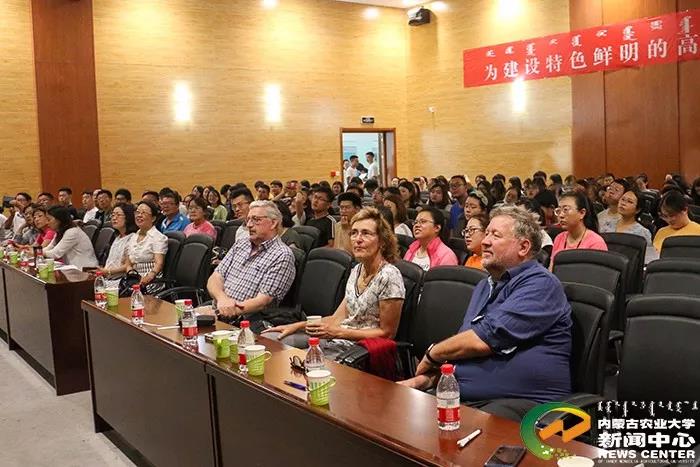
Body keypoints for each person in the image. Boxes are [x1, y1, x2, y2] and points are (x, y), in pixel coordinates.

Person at [399, 206, 572, 421]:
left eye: (495, 235)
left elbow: (484, 339)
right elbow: (464, 351)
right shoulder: (484, 285)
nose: (485, 241)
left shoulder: (541, 284)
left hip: (523, 402)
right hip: (467, 396)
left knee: (449, 432)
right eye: (487, 233)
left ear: (523, 247)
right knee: (399, 415)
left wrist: (432, 353)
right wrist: (426, 380)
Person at [263, 207, 405, 358]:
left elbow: (387, 333)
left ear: (382, 241)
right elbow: (336, 319)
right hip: (337, 338)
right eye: (354, 233)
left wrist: (338, 332)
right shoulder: (357, 270)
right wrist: (297, 326)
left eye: (366, 233)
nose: (358, 239)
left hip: (360, 350)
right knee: (269, 339)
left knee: (293, 359)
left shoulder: (389, 276)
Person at [206, 201, 295, 319]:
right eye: (248, 220)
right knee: (185, 317)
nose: (249, 225)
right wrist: (222, 299)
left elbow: (263, 302)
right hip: (218, 308)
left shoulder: (282, 255)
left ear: (273, 223)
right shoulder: (241, 244)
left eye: (256, 220)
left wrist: (227, 310)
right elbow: (215, 278)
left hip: (243, 319)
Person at [551, 191, 607, 265]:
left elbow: (597, 271)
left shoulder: (596, 242)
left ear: (582, 213)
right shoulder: (559, 238)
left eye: (565, 210)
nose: (561, 215)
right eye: (558, 211)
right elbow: (551, 269)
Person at [124, 201, 168, 285]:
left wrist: (149, 277)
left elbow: (159, 263)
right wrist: (131, 274)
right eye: (137, 212)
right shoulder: (133, 237)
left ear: (153, 218)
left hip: (152, 280)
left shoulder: (158, 237)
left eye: (143, 212)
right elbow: (128, 263)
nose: (139, 215)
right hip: (135, 278)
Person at [612, 189, 657, 264]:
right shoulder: (606, 224)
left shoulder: (643, 232)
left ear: (638, 210)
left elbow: (648, 259)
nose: (623, 203)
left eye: (629, 202)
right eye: (622, 199)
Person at [99, 204, 138, 284]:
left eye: (118, 215)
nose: (114, 218)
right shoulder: (117, 237)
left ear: (127, 217)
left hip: (120, 280)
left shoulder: (132, 238)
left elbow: (127, 265)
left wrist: (108, 271)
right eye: (113, 215)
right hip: (108, 278)